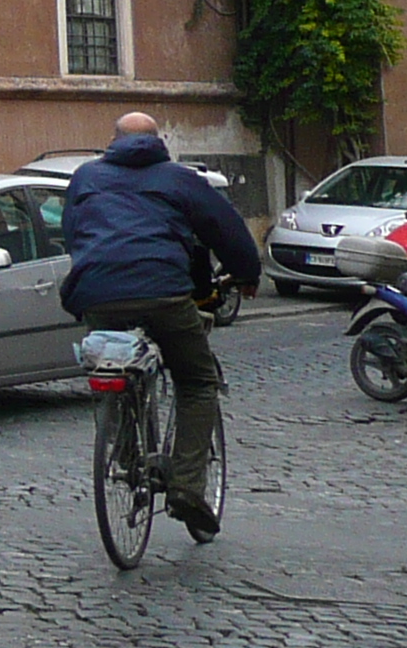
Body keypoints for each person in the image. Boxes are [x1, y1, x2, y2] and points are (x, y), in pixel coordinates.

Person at [61, 112, 259, 542]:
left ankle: (126, 456)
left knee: (111, 372)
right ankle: (187, 486)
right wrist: (246, 272)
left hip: (99, 292)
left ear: (112, 140)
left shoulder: (85, 178)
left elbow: (73, 233)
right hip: (163, 292)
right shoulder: (180, 179)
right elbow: (224, 228)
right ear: (159, 141)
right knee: (197, 381)